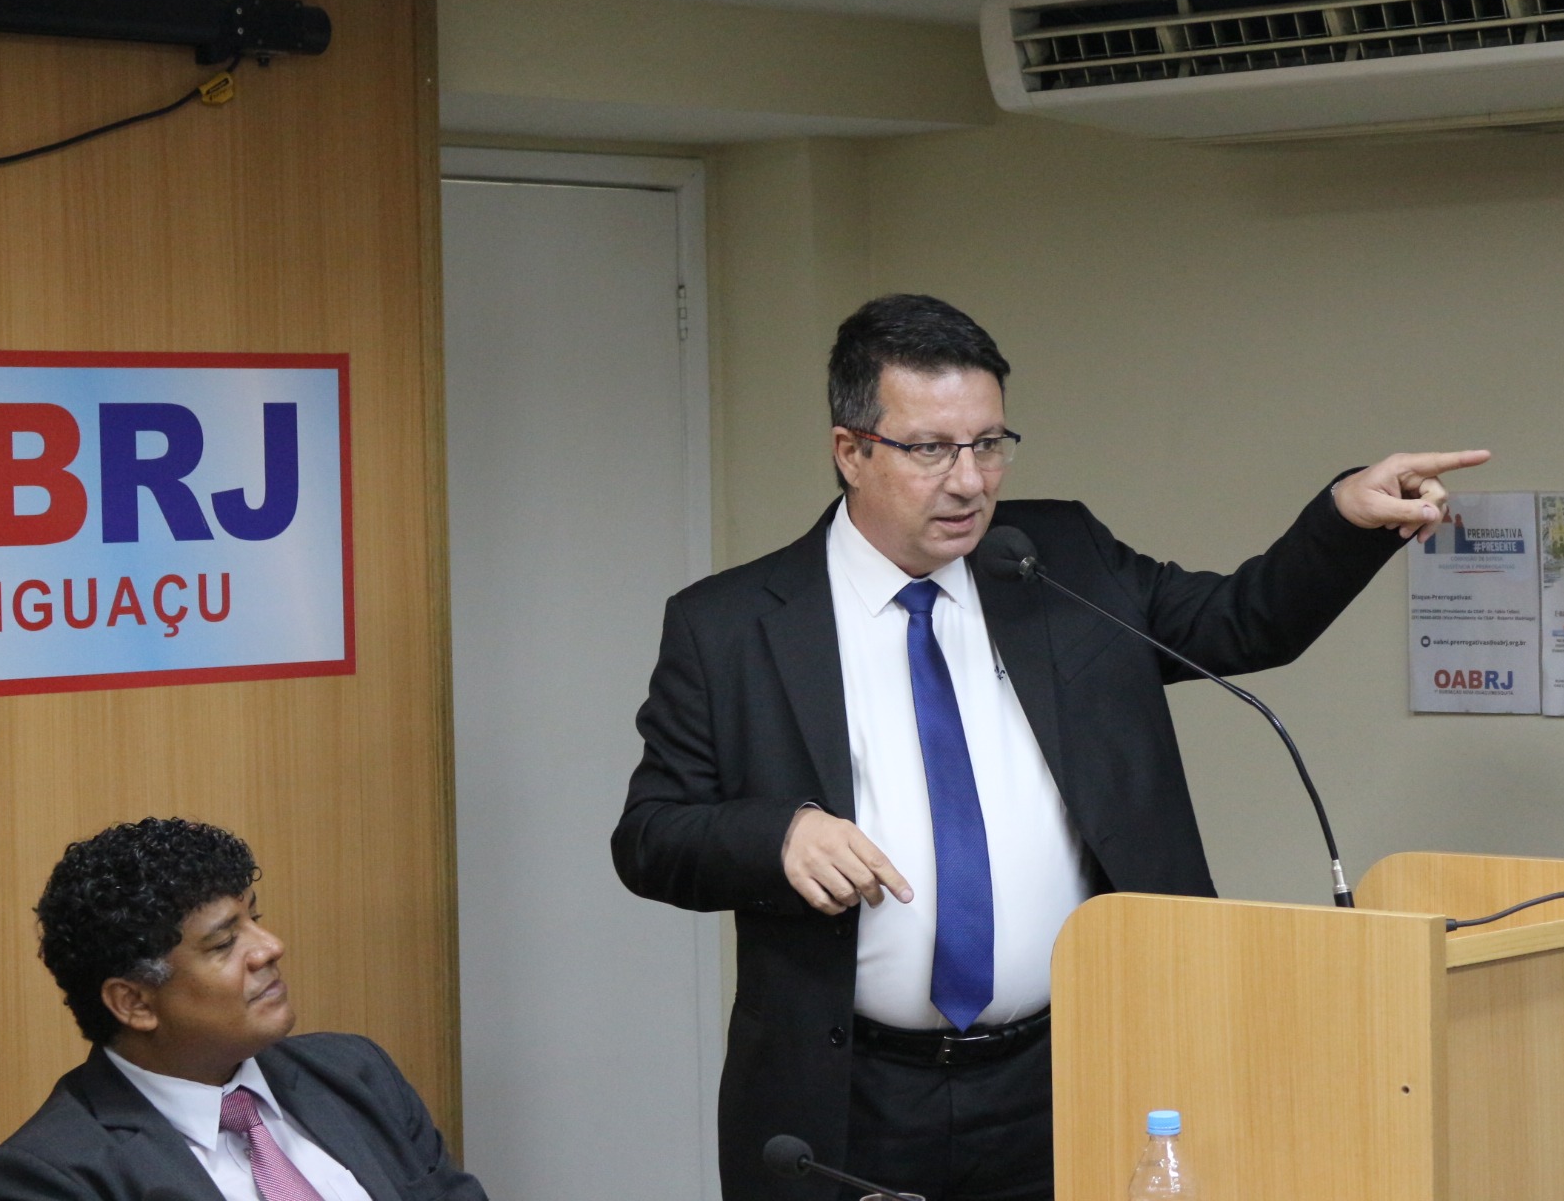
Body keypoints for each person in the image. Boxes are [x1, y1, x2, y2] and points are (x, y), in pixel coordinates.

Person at [613, 294, 1487, 1201]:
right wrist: (779, 835)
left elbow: (1243, 622)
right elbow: (650, 836)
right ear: (851, 451)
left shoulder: (1056, 559)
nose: (969, 482)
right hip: (850, 1093)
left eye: (989, 444)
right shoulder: (731, 625)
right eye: (930, 449)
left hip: (1069, 1069)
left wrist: (1344, 518)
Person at [0, 817, 487, 1201]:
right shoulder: (50, 1176)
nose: (270, 948)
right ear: (134, 1003)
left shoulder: (355, 1074)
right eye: (223, 944)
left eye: (254, 919)